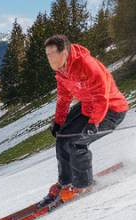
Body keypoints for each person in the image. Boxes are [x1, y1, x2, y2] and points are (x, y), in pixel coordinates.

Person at [42, 34, 128, 204]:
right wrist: (58, 122)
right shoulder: (61, 71)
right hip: (88, 106)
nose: (50, 59)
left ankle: (83, 184)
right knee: (62, 138)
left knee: (77, 142)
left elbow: (101, 96)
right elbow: (63, 98)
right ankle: (66, 181)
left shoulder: (87, 65)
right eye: (47, 55)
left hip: (111, 109)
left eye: (52, 54)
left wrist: (94, 122)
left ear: (64, 52)